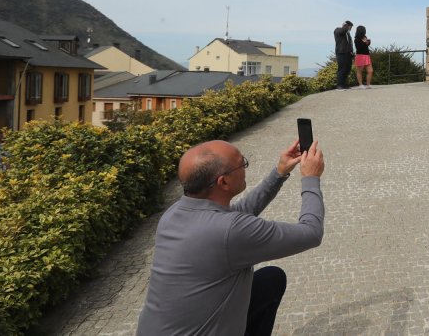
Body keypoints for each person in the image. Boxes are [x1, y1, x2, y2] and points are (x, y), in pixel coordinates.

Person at [137, 138, 325, 335]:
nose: (245, 168)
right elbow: (311, 232)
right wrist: (311, 178)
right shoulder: (230, 231)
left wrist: (280, 172)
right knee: (271, 280)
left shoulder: (174, 213)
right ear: (223, 181)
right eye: (242, 163)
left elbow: (240, 213)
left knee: (270, 280)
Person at [333, 20, 354, 90]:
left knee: (347, 69)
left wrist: (351, 52)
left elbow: (349, 44)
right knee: (342, 69)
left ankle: (344, 85)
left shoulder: (347, 34)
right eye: (350, 27)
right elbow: (343, 30)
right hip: (341, 53)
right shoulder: (337, 30)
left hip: (348, 54)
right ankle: (339, 86)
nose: (350, 29)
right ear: (346, 26)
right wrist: (346, 25)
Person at [353, 25, 373, 89]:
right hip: (360, 56)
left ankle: (368, 84)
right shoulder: (356, 39)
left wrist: (368, 42)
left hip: (367, 55)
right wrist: (364, 43)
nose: (365, 31)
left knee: (370, 71)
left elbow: (365, 46)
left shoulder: (365, 37)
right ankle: (360, 85)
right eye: (364, 30)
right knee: (360, 71)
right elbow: (359, 48)